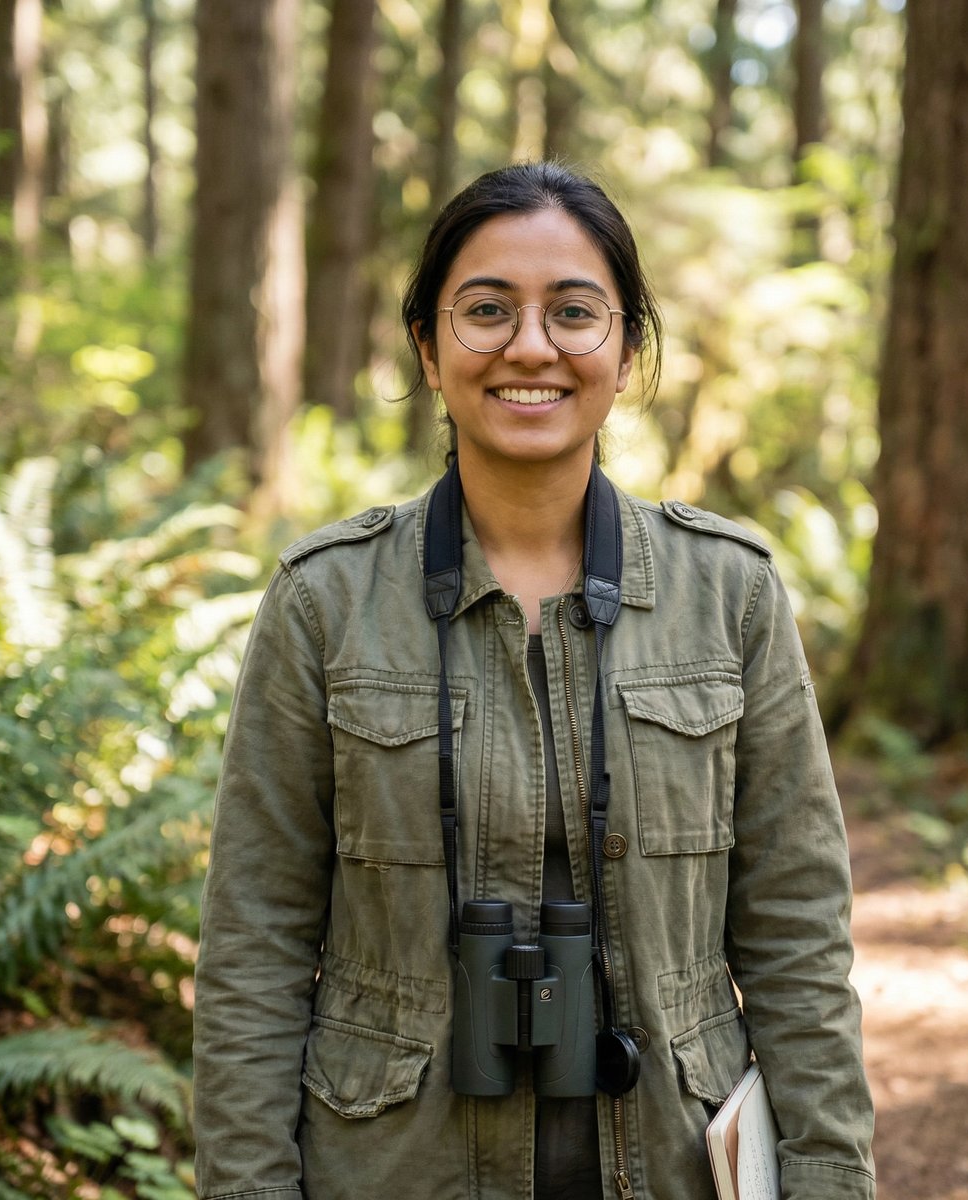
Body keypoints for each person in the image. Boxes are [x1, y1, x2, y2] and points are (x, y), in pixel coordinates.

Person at [192, 161, 876, 1200]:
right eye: (486, 310)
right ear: (427, 347)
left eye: (574, 312)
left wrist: (831, 1182)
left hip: (672, 1161)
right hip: (394, 1168)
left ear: (627, 348)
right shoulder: (325, 602)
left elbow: (798, 942)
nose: (530, 346)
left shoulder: (728, 595)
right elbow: (254, 951)